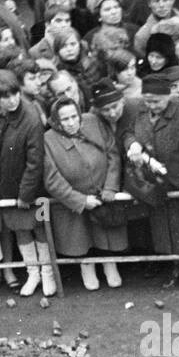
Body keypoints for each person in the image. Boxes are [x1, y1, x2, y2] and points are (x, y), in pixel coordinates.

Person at [125, 74, 179, 292]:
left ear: (168, 96)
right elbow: (127, 132)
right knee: (168, 233)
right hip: (159, 186)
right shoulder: (141, 111)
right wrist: (133, 143)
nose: (151, 105)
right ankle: (177, 269)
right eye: (147, 100)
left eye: (156, 101)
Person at [43, 95, 125, 290]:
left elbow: (112, 152)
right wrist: (79, 200)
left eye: (74, 117)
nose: (72, 123)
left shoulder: (93, 121)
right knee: (81, 236)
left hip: (102, 192)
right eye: (65, 119)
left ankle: (109, 264)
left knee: (106, 233)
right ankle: (86, 267)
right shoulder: (48, 140)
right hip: (76, 198)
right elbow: (51, 179)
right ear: (56, 120)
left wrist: (110, 186)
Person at [0, 70, 50, 296]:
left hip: (31, 189)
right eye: (5, 96)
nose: (12, 100)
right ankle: (33, 274)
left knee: (40, 228)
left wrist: (26, 194)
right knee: (20, 230)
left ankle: (47, 273)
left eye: (15, 94)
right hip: (5, 187)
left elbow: (35, 161)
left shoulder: (31, 117)